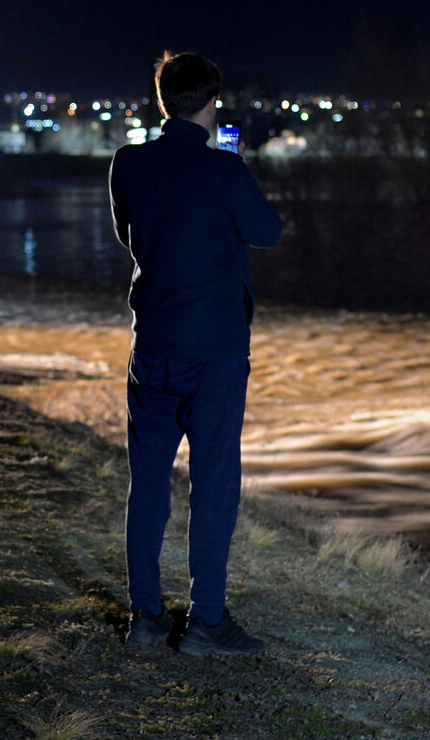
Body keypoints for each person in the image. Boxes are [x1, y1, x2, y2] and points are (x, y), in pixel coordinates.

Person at [110, 51, 282, 655]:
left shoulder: (127, 164)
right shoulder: (225, 172)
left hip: (152, 345)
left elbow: (129, 233)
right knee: (213, 486)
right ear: (211, 103)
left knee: (148, 485)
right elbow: (269, 230)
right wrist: (232, 171)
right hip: (215, 353)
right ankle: (207, 622)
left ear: (163, 103)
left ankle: (146, 618)